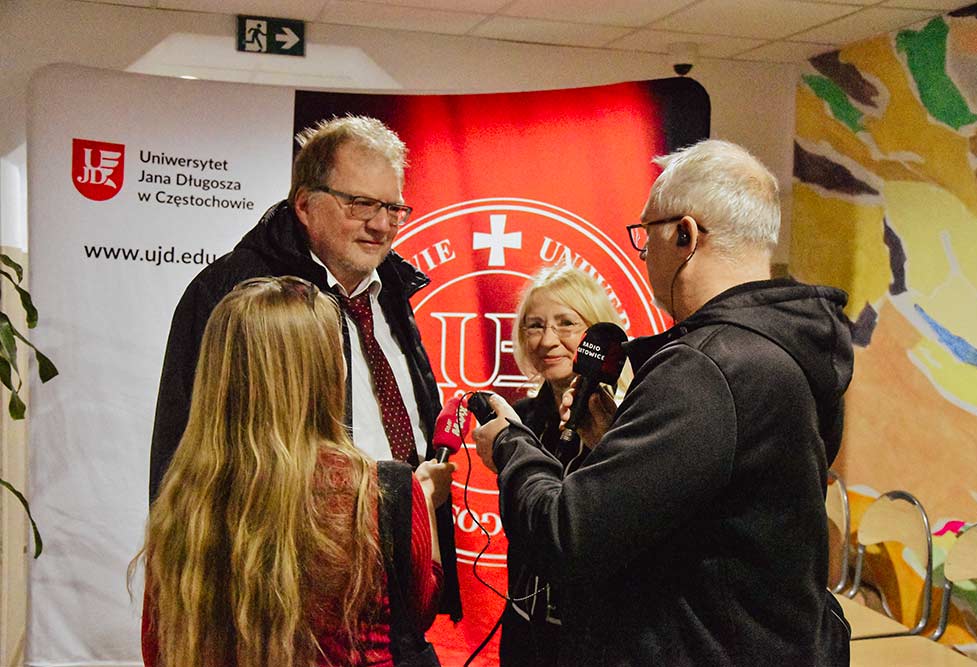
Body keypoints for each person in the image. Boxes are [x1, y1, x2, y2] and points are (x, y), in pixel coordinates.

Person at [474, 139, 853, 665]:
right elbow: (720, 512)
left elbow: (568, 534)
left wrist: (511, 445)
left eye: (645, 235)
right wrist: (615, 444)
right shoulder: (791, 346)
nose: (644, 251)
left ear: (684, 234)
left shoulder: (705, 367)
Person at [149, 115, 460, 619]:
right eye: (360, 203)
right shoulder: (235, 294)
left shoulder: (394, 291)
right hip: (283, 597)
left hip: (396, 585)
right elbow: (185, 455)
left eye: (392, 207)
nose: (380, 224)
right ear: (304, 204)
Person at [133, 276, 454, 666]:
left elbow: (159, 650)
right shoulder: (378, 492)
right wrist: (422, 501)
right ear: (323, 372)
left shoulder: (185, 502)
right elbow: (416, 609)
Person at [501, 264, 631, 666]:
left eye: (566, 324)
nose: (547, 340)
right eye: (535, 326)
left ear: (597, 333)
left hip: (598, 642)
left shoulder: (631, 420)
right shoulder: (519, 420)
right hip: (525, 631)